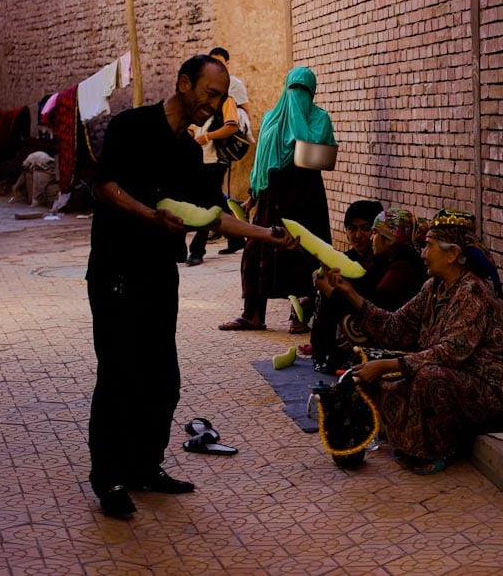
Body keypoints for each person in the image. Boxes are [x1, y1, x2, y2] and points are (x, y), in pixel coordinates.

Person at [85, 54, 295, 519]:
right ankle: (110, 478)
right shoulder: (131, 126)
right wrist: (148, 215)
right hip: (116, 270)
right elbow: (104, 186)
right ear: (184, 84)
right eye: (210, 94)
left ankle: (145, 466)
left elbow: (211, 213)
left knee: (162, 377)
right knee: (119, 374)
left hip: (159, 272)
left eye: (221, 99)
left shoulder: (187, 150)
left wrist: (268, 235)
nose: (215, 106)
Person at [316, 209, 503, 475]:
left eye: (429, 246)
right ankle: (404, 441)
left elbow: (451, 352)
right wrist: (349, 293)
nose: (423, 253)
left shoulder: (472, 293)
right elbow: (396, 327)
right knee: (372, 363)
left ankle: (439, 449)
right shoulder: (433, 287)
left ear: (451, 254)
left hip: (486, 388)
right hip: (449, 371)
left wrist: (389, 365)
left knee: (427, 377)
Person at [219, 66, 336, 333]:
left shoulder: (320, 119)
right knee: (257, 251)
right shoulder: (272, 118)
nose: (297, 96)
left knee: (305, 252)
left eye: (303, 90)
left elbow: (324, 151)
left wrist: (301, 132)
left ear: (312, 91)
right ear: (286, 88)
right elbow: (261, 161)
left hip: (306, 195)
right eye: (293, 89)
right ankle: (253, 314)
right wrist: (252, 195)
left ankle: (301, 315)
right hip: (274, 196)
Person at [309, 206, 427, 374]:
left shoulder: (403, 269)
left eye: (373, 232)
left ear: (389, 240)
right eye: (352, 229)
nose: (369, 238)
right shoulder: (391, 260)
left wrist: (333, 291)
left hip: (399, 340)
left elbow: (373, 309)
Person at [186, 89, 241, 265]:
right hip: (201, 160)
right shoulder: (201, 103)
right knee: (217, 201)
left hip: (216, 160)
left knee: (206, 204)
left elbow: (232, 126)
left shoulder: (226, 101)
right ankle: (236, 238)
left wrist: (208, 136)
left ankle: (197, 250)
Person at [208, 46, 252, 255]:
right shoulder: (207, 84)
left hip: (222, 145)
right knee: (211, 194)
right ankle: (235, 234)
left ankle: (197, 248)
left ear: (227, 63)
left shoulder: (234, 86)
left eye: (220, 63)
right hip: (208, 145)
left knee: (208, 194)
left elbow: (244, 114)